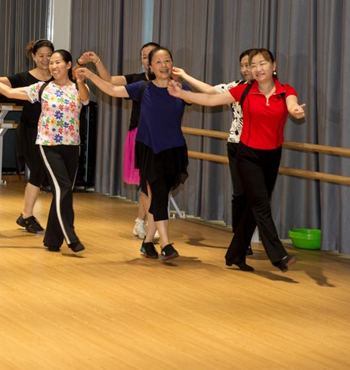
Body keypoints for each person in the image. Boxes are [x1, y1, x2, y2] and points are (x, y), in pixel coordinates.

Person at [168, 48, 306, 272]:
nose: (257, 69)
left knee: (253, 207)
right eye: (253, 65)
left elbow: (292, 104)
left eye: (262, 63)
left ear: (274, 66)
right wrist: (182, 94)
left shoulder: (285, 90)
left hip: (272, 155)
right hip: (247, 155)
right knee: (261, 204)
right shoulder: (244, 90)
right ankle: (278, 254)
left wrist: (296, 110)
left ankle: (235, 254)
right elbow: (210, 98)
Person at [79, 47, 190, 262]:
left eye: (167, 61)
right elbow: (112, 89)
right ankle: (166, 244)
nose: (164, 65)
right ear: (150, 67)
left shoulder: (180, 88)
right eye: (158, 62)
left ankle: (147, 243)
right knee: (158, 194)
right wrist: (91, 75)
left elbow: (205, 97)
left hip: (174, 149)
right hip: (150, 149)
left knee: (159, 195)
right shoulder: (142, 87)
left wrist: (187, 79)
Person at [0, 50, 90, 253]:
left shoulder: (78, 87)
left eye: (57, 62)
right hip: (48, 144)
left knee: (63, 192)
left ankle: (52, 240)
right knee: (63, 187)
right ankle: (70, 236)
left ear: (68, 65)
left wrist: (81, 81)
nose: (53, 66)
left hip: (72, 145)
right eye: (51, 63)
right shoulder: (42, 88)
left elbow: (85, 99)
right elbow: (9, 92)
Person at [171, 50, 254, 254]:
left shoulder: (272, 90)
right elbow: (210, 91)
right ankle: (241, 240)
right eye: (242, 65)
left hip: (260, 147)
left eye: (249, 65)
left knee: (257, 195)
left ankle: (259, 240)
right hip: (237, 144)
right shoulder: (237, 87)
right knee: (240, 193)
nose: (245, 69)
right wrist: (184, 75)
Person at [79, 42, 160, 240]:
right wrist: (97, 62)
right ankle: (152, 224)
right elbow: (110, 82)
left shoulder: (169, 81)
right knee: (147, 183)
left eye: (151, 55)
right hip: (140, 135)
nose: (147, 59)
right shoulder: (137, 80)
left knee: (151, 184)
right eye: (144, 56)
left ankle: (141, 222)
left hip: (161, 136)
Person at [0, 39, 54, 233]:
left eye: (49, 56)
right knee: (37, 171)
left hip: (51, 132)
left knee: (45, 174)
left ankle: (31, 216)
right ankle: (27, 215)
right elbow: (0, 81)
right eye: (41, 56)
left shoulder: (57, 78)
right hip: (30, 131)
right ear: (33, 57)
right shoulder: (25, 78)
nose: (45, 59)